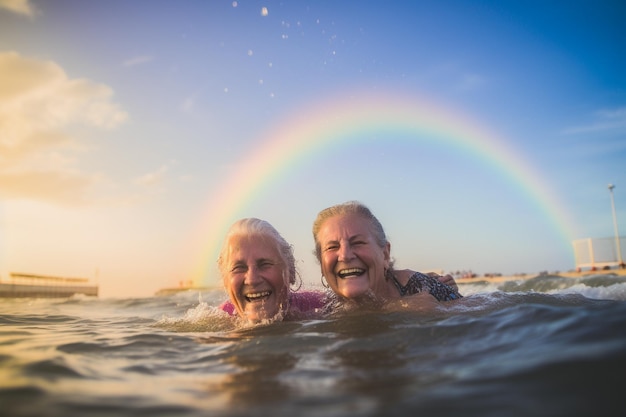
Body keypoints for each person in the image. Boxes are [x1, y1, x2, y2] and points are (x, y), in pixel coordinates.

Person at [312, 201, 462, 310]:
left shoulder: (420, 288)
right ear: (321, 263)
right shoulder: (324, 307)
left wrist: (440, 312)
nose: (345, 255)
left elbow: (473, 312)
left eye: (357, 243)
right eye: (332, 247)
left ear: (385, 254)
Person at [217, 218, 326, 323]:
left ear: (291, 271)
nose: (252, 280)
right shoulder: (218, 323)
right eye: (239, 268)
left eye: (264, 264)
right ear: (225, 281)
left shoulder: (322, 307)